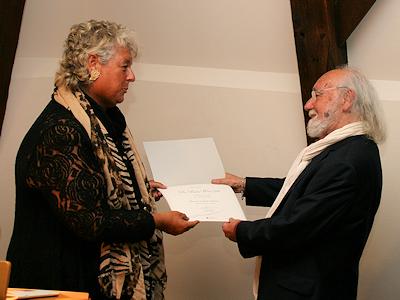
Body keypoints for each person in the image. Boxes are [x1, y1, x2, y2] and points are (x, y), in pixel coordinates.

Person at [6, 19, 199, 299]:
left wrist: (137, 189)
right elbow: (90, 221)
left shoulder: (103, 119)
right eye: (125, 66)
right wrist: (156, 221)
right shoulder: (61, 130)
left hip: (87, 275)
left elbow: (99, 185)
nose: (131, 76)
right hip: (57, 283)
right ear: (93, 64)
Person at [212, 66, 386, 300]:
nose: (308, 105)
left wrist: (241, 231)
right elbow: (301, 192)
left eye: (317, 95)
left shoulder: (347, 159)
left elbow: (297, 226)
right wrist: (244, 184)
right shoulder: (349, 149)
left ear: (346, 100)